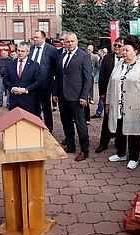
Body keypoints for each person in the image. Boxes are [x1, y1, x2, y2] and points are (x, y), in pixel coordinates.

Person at [106, 35, 140, 169]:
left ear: (136, 51)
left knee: (134, 133)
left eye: (127, 50)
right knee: (120, 129)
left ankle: (134, 157)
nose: (124, 53)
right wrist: (108, 102)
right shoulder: (119, 64)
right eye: (123, 50)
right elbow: (111, 84)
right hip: (118, 105)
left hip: (135, 105)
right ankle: (121, 153)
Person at [53, 32, 91, 162]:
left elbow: (87, 79)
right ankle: (71, 145)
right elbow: (58, 76)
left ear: (77, 41)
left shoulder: (84, 56)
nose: (69, 44)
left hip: (77, 97)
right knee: (66, 122)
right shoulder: (61, 56)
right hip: (62, 96)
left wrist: (84, 96)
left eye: (72, 41)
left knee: (81, 124)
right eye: (67, 41)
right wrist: (55, 93)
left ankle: (84, 150)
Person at [95, 37, 124, 153]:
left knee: (121, 119)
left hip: (122, 96)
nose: (116, 47)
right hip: (109, 95)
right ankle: (103, 142)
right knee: (107, 119)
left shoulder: (129, 59)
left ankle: (119, 141)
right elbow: (102, 77)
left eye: (119, 45)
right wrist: (102, 93)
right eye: (115, 45)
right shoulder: (107, 58)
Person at [29, 30, 57, 132]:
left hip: (45, 85)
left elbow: (55, 68)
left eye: (37, 37)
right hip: (32, 85)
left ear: (44, 38)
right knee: (34, 107)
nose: (35, 39)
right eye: (34, 38)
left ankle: (49, 129)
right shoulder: (31, 49)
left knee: (46, 108)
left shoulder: (52, 50)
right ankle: (37, 127)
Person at [3, 42, 41, 115]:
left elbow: (38, 81)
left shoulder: (34, 65)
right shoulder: (10, 64)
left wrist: (25, 90)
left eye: (23, 51)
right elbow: (5, 80)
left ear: (28, 52)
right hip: (14, 101)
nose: (20, 53)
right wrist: (12, 88)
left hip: (29, 102)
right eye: (18, 50)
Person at [91, 48, 108, 118]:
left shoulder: (106, 59)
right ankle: (99, 112)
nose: (98, 54)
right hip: (101, 80)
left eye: (99, 53)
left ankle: (99, 112)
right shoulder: (101, 59)